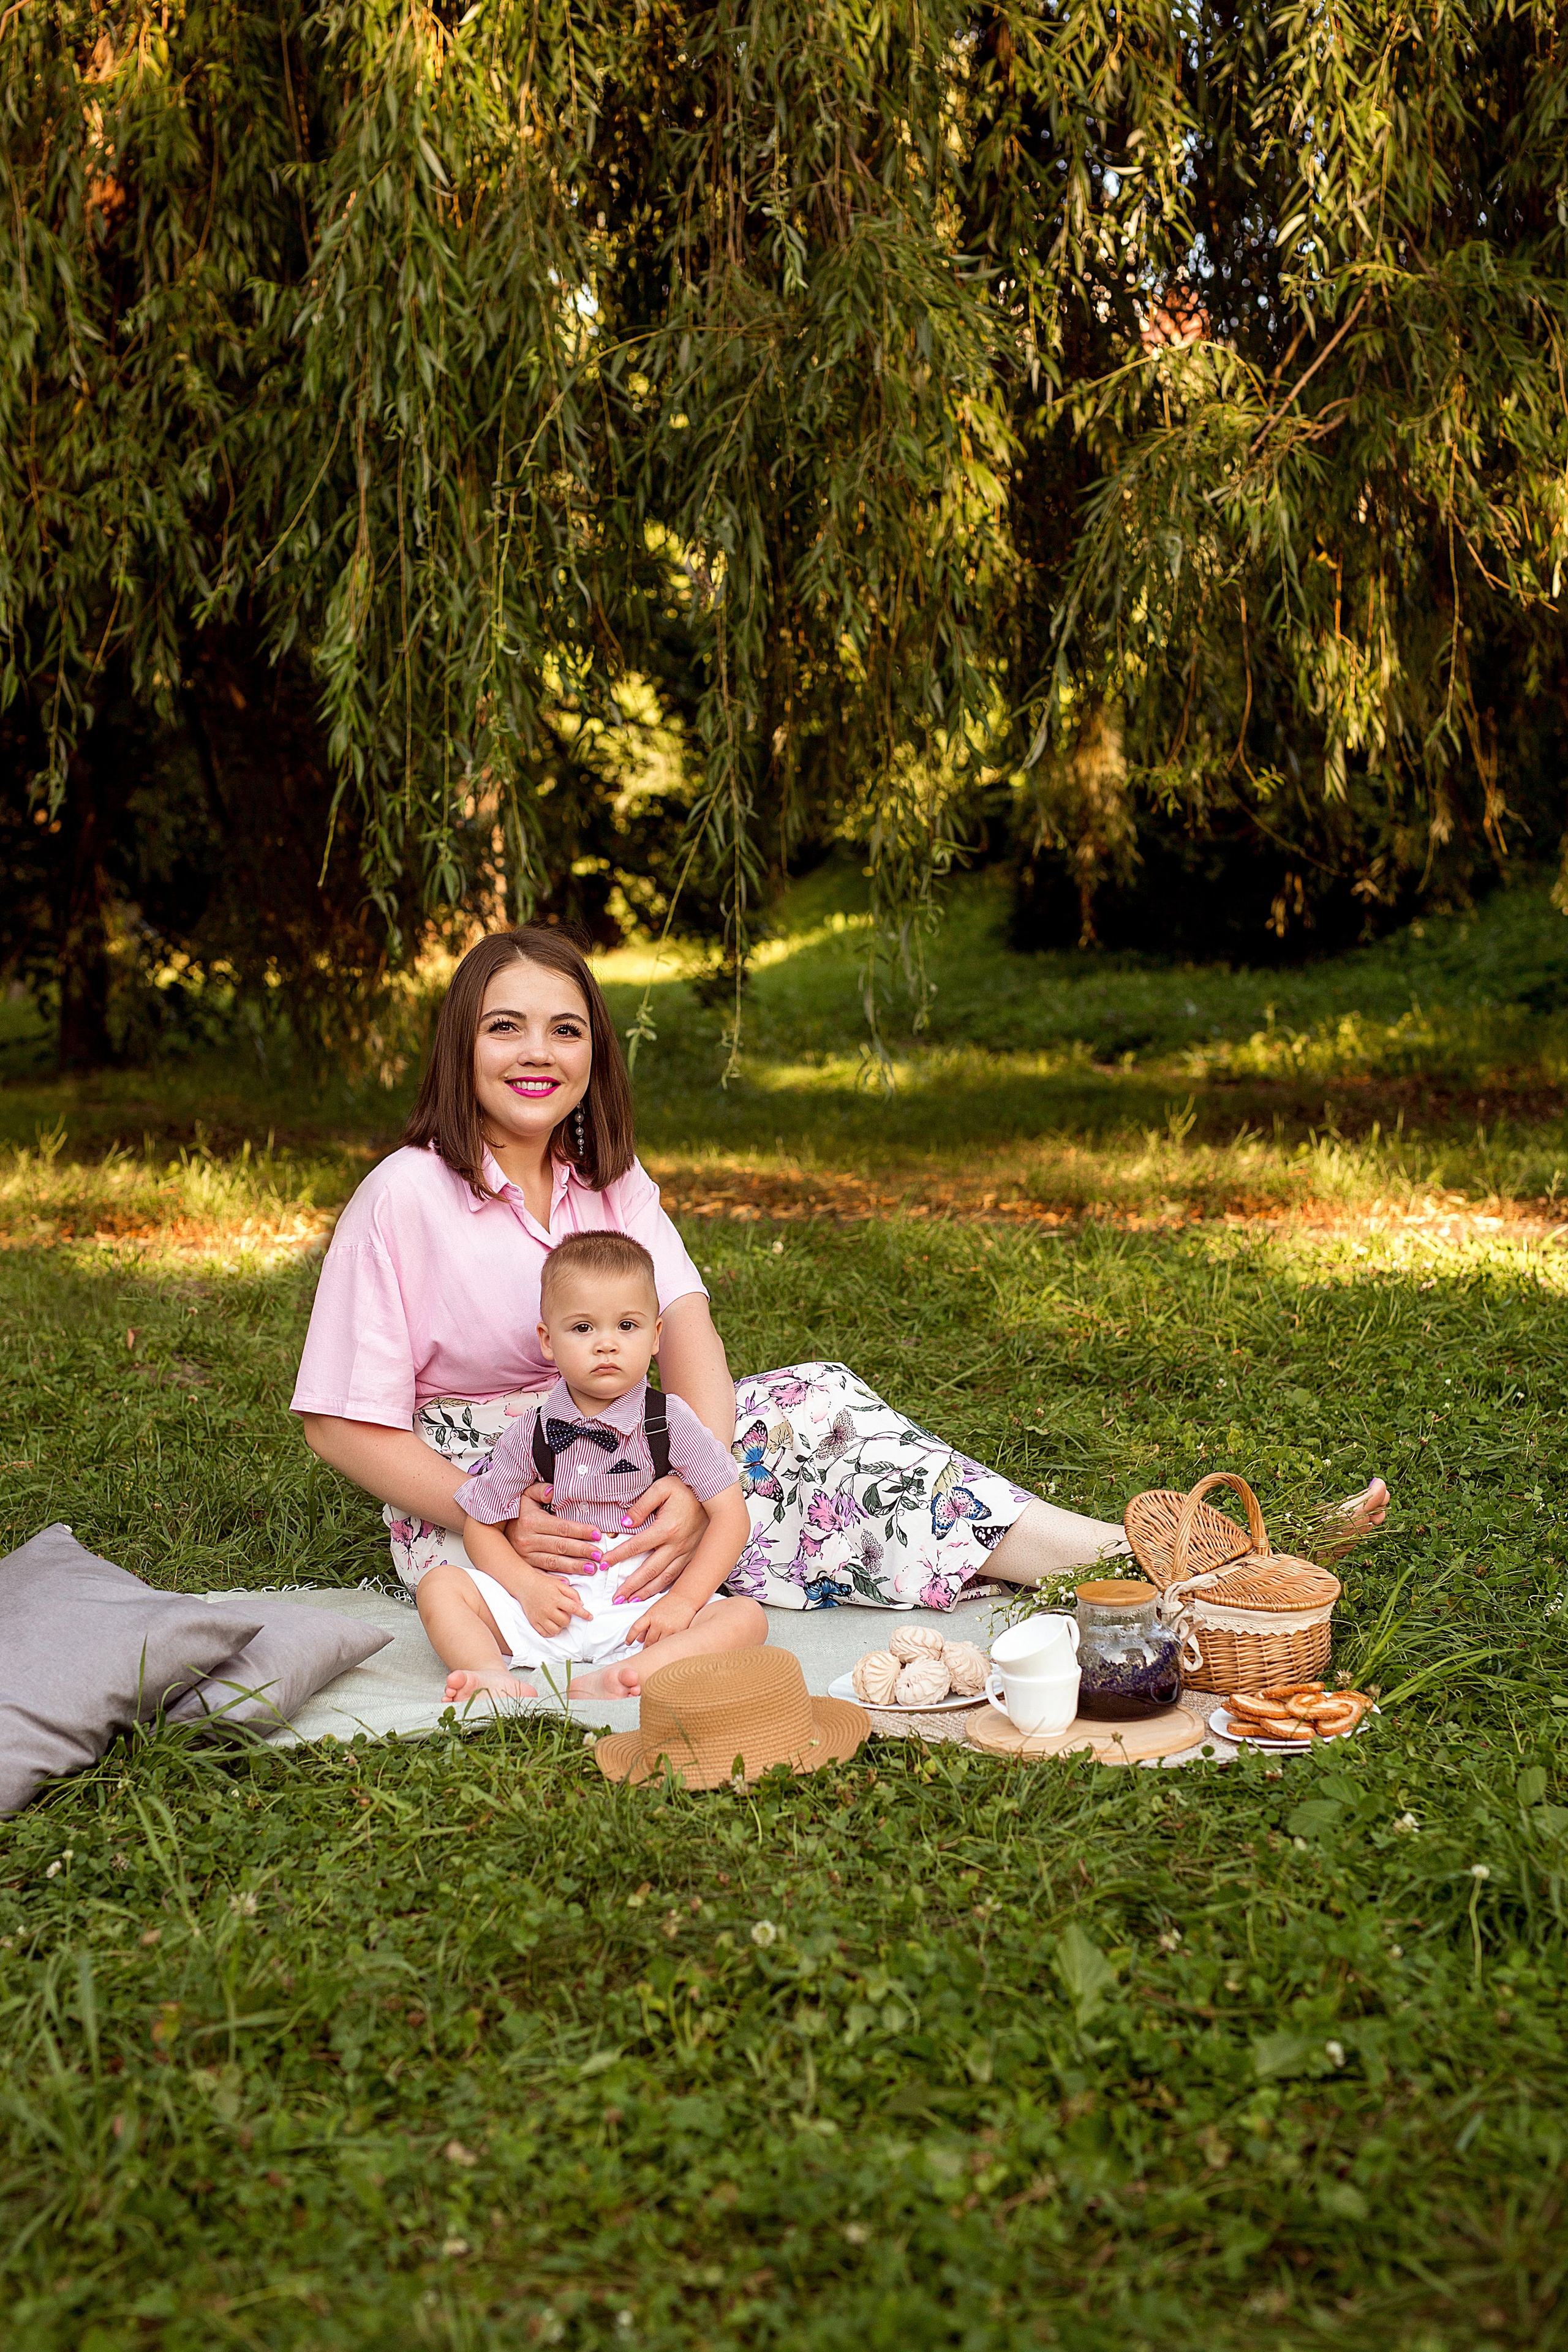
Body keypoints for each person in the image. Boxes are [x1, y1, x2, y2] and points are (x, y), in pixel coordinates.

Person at [292, 925, 1389, 1623]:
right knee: (749, 1503)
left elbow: (692, 1341)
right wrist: (502, 1508)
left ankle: (1164, 1558)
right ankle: (1180, 1570)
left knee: (817, 1406)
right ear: (461, 1046)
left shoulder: (611, 1185)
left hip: (645, 1446)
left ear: (595, 1058)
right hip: (488, 1491)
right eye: (507, 1027)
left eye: (566, 1030)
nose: (538, 1054)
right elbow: (340, 1423)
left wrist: (691, 1479)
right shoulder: (405, 1193)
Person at [423, 1229, 761, 1704]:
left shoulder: (670, 1420)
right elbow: (482, 1525)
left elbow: (730, 1515)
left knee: (744, 1617)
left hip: (641, 1601)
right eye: (583, 1328)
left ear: (656, 1335)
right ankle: (488, 1674)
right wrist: (526, 1587)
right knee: (441, 1585)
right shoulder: (534, 1430)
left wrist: (683, 1603)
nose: (606, 1344)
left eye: (627, 1326)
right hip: (552, 1601)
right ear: (548, 1340)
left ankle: (634, 1673)